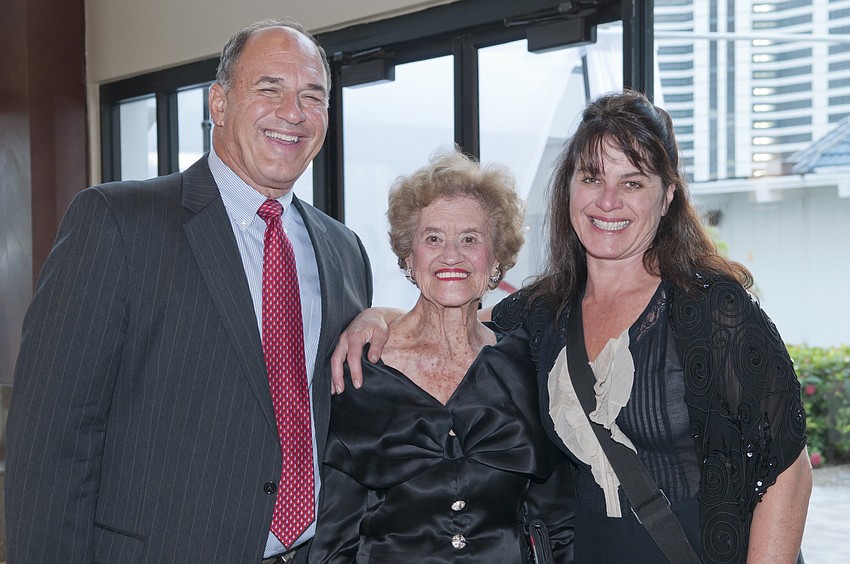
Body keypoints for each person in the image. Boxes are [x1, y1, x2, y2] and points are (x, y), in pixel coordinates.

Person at [331, 91, 811, 563]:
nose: (607, 201)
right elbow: (454, 312)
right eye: (592, 177)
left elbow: (788, 469)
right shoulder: (545, 312)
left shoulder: (709, 308)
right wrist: (377, 319)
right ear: (569, 189)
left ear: (666, 198)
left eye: (632, 183)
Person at [6, 19, 372, 564]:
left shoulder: (343, 250)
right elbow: (50, 443)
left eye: (311, 97)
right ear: (218, 104)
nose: (293, 113)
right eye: (269, 88)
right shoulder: (117, 222)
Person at [308, 148, 574, 563]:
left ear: (496, 257)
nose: (452, 255)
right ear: (409, 257)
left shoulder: (527, 364)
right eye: (434, 238)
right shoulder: (361, 368)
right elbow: (334, 538)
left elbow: (556, 523)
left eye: (470, 239)